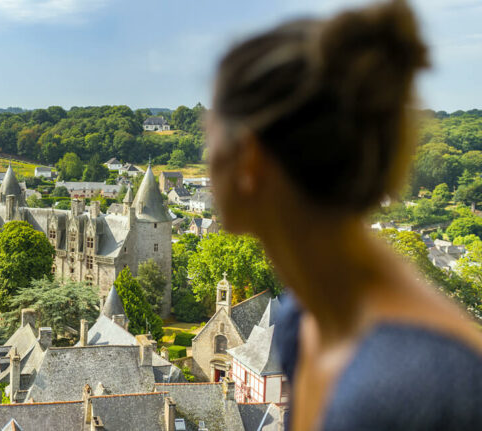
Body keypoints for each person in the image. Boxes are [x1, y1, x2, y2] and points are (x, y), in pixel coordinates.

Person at [206, 0, 482, 429]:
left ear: (250, 162)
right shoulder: (304, 318)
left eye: (212, 142)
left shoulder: (423, 383)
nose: (206, 163)